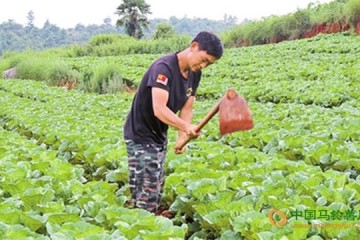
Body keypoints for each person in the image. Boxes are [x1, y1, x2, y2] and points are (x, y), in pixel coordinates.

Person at [123, 31, 224, 213]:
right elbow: (159, 109)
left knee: (156, 184)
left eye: (208, 64)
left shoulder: (194, 74)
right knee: (148, 188)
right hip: (140, 133)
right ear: (193, 46)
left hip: (159, 134)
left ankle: (142, 216)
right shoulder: (163, 68)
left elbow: (187, 107)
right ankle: (144, 223)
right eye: (203, 59)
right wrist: (186, 127)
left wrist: (181, 136)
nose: (203, 65)